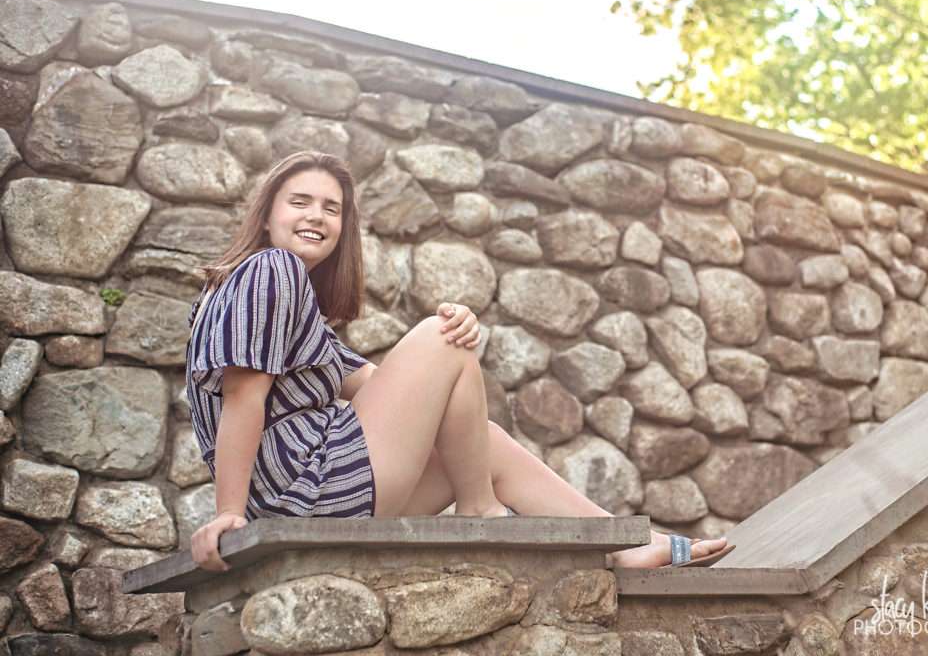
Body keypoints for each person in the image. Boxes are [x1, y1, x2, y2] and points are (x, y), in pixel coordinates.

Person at [186, 150, 731, 572]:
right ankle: (481, 510)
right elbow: (243, 396)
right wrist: (228, 513)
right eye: (299, 202)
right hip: (305, 488)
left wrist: (450, 368)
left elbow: (381, 390)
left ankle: (625, 544)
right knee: (442, 334)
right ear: (267, 216)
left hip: (318, 489)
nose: (317, 216)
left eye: (332, 208)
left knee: (475, 435)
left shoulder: (281, 300)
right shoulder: (271, 270)